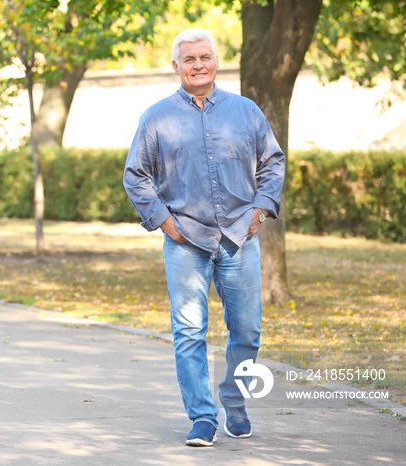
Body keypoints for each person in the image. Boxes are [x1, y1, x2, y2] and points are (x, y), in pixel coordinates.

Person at [122, 28, 285, 447]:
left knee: (247, 330)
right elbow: (135, 176)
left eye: (205, 57)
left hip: (240, 238)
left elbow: (273, 163)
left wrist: (261, 208)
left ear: (217, 62)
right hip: (185, 240)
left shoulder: (247, 111)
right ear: (175, 66)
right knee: (190, 331)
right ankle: (202, 418)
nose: (198, 65)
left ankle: (235, 400)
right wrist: (162, 220)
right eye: (189, 59)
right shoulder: (156, 117)